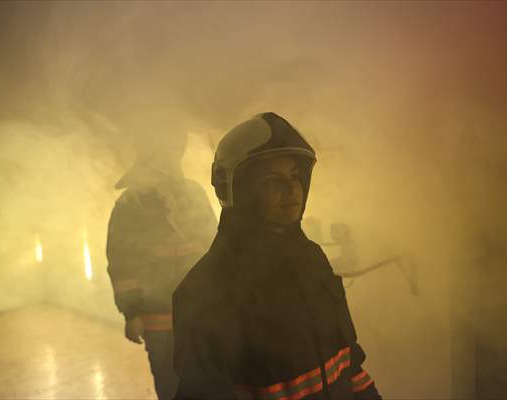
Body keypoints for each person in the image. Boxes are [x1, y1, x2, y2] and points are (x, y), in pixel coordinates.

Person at [172, 112, 382, 400]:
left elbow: (349, 362)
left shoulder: (312, 259)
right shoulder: (207, 291)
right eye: (273, 180)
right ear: (239, 191)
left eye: (295, 176)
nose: (292, 189)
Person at [106, 139, 217, 400]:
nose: (172, 159)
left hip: (202, 314)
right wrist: (132, 314)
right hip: (160, 322)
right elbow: (121, 263)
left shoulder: (193, 193)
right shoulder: (130, 205)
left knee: (210, 383)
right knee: (172, 387)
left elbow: (214, 243)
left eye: (174, 151)